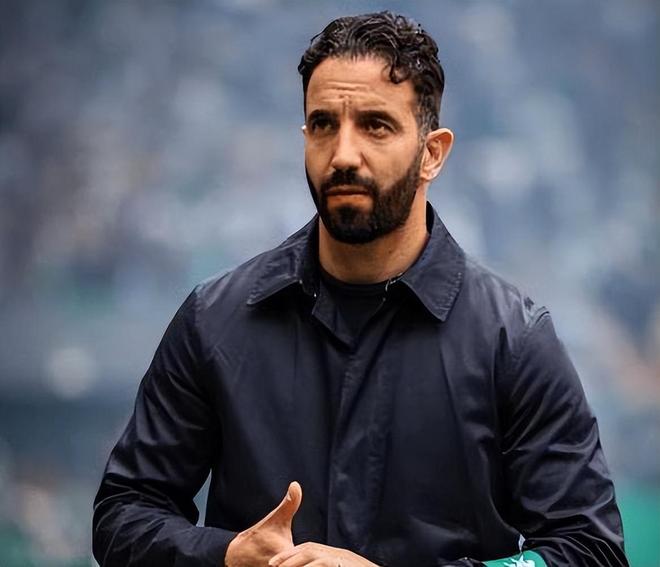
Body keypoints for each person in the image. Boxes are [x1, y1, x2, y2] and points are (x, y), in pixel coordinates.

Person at [92, 11, 628, 567]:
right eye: (324, 124)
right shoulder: (215, 320)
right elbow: (124, 514)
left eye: (375, 125)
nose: (343, 154)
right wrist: (226, 554)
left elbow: (589, 551)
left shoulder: (512, 341)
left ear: (433, 153)